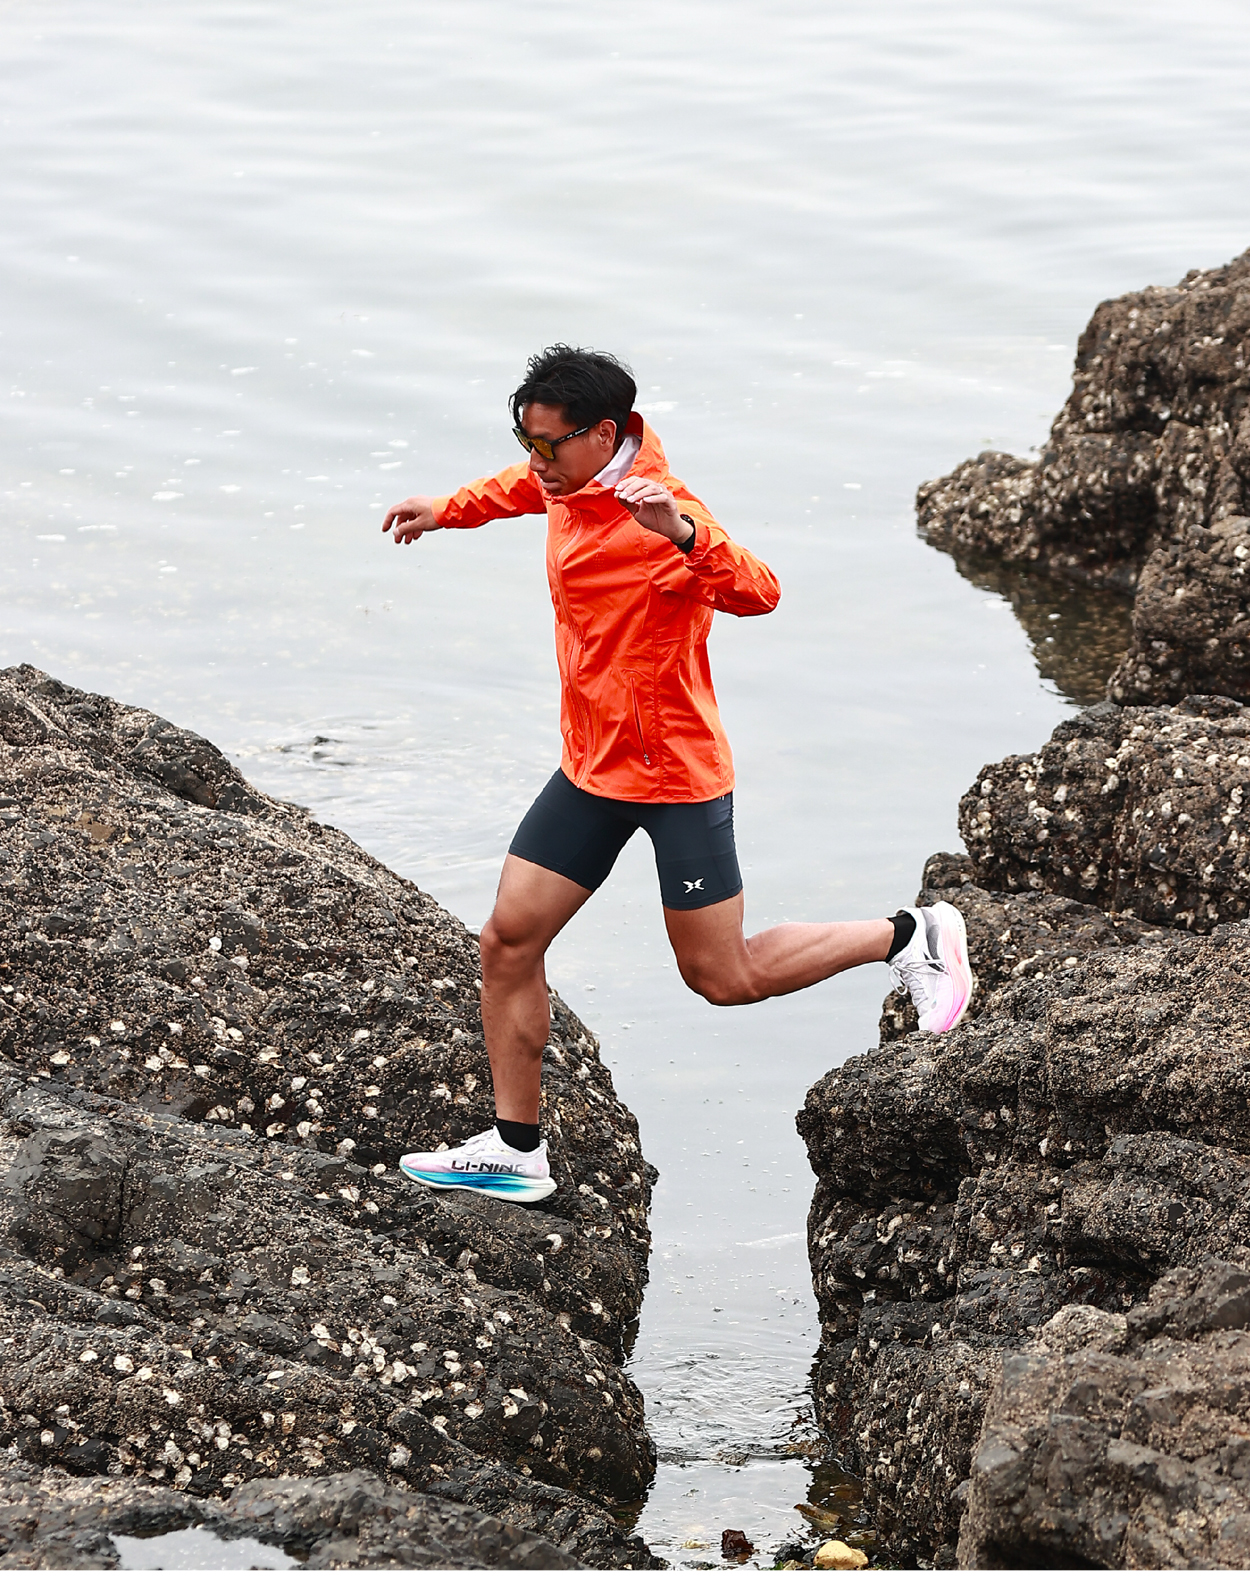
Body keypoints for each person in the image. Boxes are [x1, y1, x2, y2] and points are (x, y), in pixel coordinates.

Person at [382, 345, 971, 1203]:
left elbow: (761, 589)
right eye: (526, 440)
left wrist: (685, 536)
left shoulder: (663, 513)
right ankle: (516, 1149)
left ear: (603, 434)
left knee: (722, 976)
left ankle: (910, 935)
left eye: (547, 444)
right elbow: (521, 486)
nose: (534, 461)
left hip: (673, 776)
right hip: (591, 765)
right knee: (507, 942)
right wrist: (445, 509)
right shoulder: (566, 479)